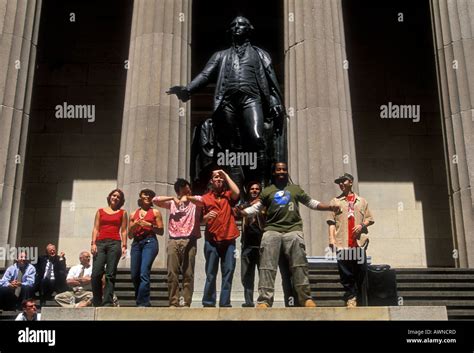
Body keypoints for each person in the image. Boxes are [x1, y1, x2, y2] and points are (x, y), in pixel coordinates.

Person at [168, 16, 287, 188]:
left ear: (249, 29)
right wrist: (188, 89)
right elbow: (206, 75)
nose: (237, 27)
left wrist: (275, 101)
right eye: (233, 25)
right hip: (227, 102)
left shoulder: (261, 54)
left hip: (251, 99)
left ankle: (260, 184)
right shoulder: (220, 56)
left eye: (241, 24)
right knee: (229, 147)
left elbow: (271, 82)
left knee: (257, 137)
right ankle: (236, 189)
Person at [240, 162, 340, 308]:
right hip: (272, 230)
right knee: (267, 266)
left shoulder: (295, 189)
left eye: (284, 169)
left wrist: (329, 206)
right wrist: (242, 212)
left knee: (299, 265)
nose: (281, 171)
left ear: (287, 172)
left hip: (293, 229)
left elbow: (311, 203)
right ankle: (264, 300)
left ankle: (305, 298)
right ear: (274, 172)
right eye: (278, 169)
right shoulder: (267, 191)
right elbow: (256, 208)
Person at [184, 169, 240, 307]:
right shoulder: (204, 198)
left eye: (221, 178)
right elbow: (199, 221)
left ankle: (225, 303)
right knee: (210, 273)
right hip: (211, 241)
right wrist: (205, 218)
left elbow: (237, 192)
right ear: (211, 181)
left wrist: (225, 174)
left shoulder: (228, 195)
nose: (219, 179)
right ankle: (208, 302)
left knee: (228, 272)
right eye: (216, 177)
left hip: (229, 239)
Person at [327, 173, 374, 308]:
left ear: (351, 182)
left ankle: (358, 294)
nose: (341, 184)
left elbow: (370, 219)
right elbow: (331, 222)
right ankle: (351, 296)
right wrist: (332, 239)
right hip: (343, 243)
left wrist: (362, 225)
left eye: (343, 181)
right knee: (345, 272)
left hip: (358, 243)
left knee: (361, 270)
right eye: (339, 182)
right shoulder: (335, 201)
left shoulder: (362, 201)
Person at [153, 179, 202, 307]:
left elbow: (203, 201)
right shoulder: (172, 203)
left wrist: (188, 198)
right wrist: (173, 198)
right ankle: (173, 302)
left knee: (188, 273)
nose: (188, 190)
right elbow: (155, 200)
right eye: (185, 189)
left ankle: (186, 301)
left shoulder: (195, 201)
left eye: (189, 189)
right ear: (179, 190)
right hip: (173, 239)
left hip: (189, 239)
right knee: (172, 273)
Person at [91, 189, 128, 307]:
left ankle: (107, 302)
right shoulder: (100, 211)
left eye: (118, 197)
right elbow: (96, 228)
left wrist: (124, 245)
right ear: (110, 197)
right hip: (100, 243)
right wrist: (93, 243)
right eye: (114, 195)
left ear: (121, 200)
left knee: (110, 274)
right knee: (96, 273)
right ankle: (96, 300)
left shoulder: (122, 213)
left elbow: (123, 230)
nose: (115, 198)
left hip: (114, 243)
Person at [129, 189, 163, 307]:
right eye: (145, 194)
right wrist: (134, 225)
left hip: (150, 242)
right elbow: (129, 235)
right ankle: (141, 300)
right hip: (136, 243)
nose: (147, 196)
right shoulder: (133, 214)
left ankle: (142, 302)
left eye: (150, 195)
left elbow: (161, 231)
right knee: (134, 274)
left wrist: (150, 225)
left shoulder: (155, 212)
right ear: (140, 197)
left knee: (144, 272)